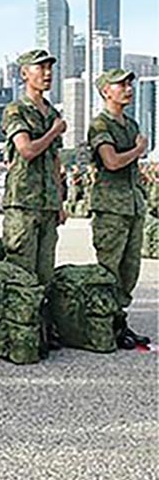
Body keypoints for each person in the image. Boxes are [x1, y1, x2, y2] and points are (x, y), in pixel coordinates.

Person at [1, 49, 65, 349]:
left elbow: (53, 161)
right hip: (23, 202)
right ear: (24, 73)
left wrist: (60, 199)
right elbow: (26, 150)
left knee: (44, 272)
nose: (47, 73)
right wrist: (53, 132)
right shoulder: (16, 110)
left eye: (50, 68)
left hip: (47, 201)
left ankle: (38, 330)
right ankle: (17, 334)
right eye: (40, 68)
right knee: (20, 272)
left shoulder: (51, 112)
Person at [86, 69, 151, 349]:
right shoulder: (101, 125)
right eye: (120, 84)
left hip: (132, 205)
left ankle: (120, 321)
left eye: (129, 84)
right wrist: (138, 151)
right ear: (105, 91)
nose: (128, 88)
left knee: (130, 269)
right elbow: (110, 161)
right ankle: (104, 326)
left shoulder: (131, 125)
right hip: (111, 207)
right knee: (109, 269)